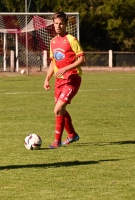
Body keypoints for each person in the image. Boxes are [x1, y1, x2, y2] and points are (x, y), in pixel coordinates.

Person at [43, 12, 86, 148]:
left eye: (61, 23)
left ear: (66, 24)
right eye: (56, 23)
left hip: (71, 80)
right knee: (60, 110)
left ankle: (57, 141)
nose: (58, 26)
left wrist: (66, 68)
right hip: (59, 81)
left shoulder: (71, 39)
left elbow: (82, 59)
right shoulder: (53, 42)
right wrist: (47, 78)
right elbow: (53, 62)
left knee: (58, 109)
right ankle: (72, 135)